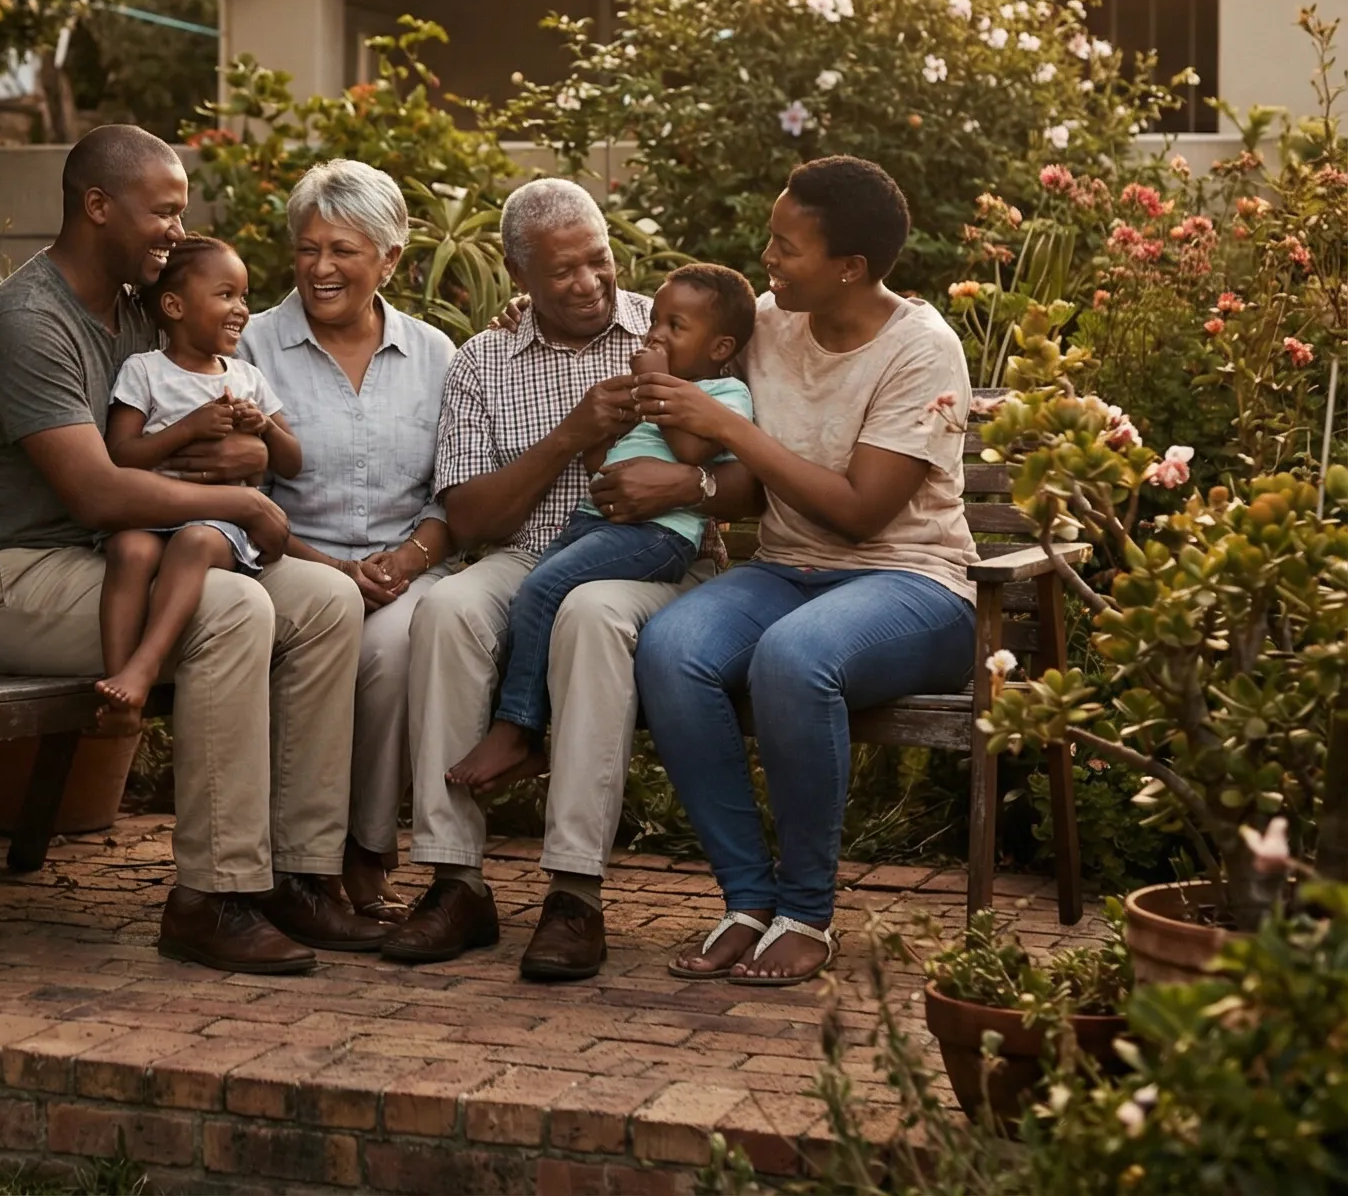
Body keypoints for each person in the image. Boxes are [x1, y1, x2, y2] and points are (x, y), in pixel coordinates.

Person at [0, 124, 380, 975]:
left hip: (116, 558)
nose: (178, 230)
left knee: (325, 605)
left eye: (182, 214)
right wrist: (243, 502)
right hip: (6, 580)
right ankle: (210, 898)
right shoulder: (29, 322)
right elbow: (97, 491)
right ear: (98, 207)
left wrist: (251, 452)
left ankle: (298, 876)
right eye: (164, 212)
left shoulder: (146, 310)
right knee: (229, 607)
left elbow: (213, 391)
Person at [379, 178, 758, 979]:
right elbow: (473, 520)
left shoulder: (676, 327)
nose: (590, 284)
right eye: (563, 273)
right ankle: (455, 882)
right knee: (445, 608)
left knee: (588, 613)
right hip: (530, 552)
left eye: (600, 261)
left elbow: (748, 459)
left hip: (659, 560)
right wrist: (570, 435)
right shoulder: (484, 360)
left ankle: (574, 893)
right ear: (519, 279)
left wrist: (688, 485)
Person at [634, 156, 977, 988]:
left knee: (794, 658)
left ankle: (805, 913)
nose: (769, 261)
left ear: (850, 268)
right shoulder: (770, 320)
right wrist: (535, 312)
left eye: (787, 248)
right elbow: (680, 328)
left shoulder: (922, 351)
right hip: (789, 571)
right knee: (671, 649)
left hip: (916, 583)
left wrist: (730, 428)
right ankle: (748, 902)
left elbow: (861, 510)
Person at [238, 160, 455, 922]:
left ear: (390, 258)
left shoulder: (436, 354)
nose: (321, 268)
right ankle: (306, 865)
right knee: (331, 621)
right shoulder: (253, 347)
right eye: (308, 248)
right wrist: (329, 566)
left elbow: (452, 490)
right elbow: (239, 497)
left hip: (405, 567)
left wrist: (409, 558)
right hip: (284, 562)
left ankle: (363, 851)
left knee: (396, 647)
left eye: (343, 250)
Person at [446, 264, 757, 793]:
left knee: (543, 590)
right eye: (655, 320)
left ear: (720, 347)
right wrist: (601, 430)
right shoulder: (655, 394)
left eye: (674, 326)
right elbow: (600, 462)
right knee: (535, 591)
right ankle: (523, 728)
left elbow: (690, 452)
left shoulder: (723, 393)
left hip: (659, 536)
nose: (655, 332)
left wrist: (658, 387)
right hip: (599, 522)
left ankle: (517, 728)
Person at [96, 236, 303, 731]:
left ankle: (144, 667)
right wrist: (186, 428)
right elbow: (119, 455)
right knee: (129, 553)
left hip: (217, 521)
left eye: (245, 296)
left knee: (193, 542)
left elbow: (293, 462)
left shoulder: (248, 378)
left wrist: (265, 427)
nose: (242, 309)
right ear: (175, 305)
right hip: (150, 512)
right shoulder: (144, 371)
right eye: (226, 295)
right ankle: (119, 690)